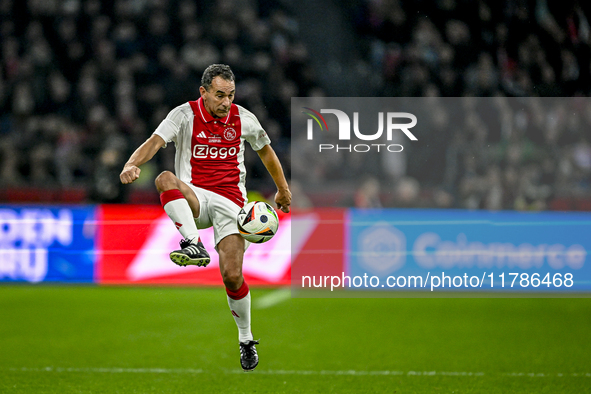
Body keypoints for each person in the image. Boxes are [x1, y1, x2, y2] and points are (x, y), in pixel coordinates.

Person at [119, 64, 291, 372]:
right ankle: (192, 244)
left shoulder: (243, 119)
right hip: (195, 197)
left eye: (231, 95)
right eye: (220, 95)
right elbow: (155, 142)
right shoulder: (183, 115)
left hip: (233, 206)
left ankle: (246, 338)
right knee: (164, 178)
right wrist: (131, 163)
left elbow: (266, 151)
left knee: (232, 275)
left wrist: (282, 190)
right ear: (204, 92)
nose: (226, 102)